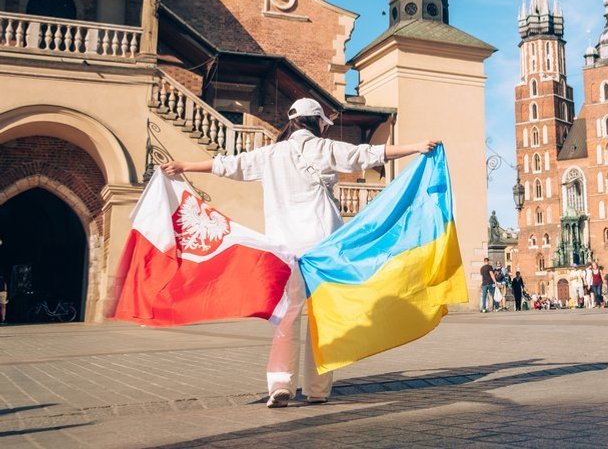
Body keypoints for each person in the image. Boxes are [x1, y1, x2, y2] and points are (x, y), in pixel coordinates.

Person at [159, 97, 437, 408]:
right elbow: (366, 154)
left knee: (287, 318)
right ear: (318, 122)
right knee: (322, 318)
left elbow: (229, 164)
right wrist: (415, 147)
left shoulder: (271, 154)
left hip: (283, 249)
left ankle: (280, 383)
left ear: (293, 122)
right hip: (322, 248)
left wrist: (184, 165)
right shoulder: (324, 148)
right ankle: (317, 389)